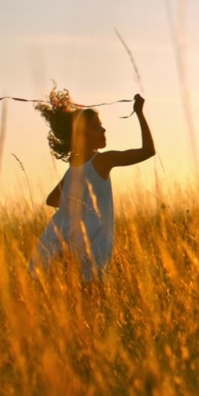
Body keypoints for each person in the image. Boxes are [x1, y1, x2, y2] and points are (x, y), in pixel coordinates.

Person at [29, 89, 155, 282]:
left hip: (66, 246)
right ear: (83, 136)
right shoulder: (102, 161)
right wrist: (139, 112)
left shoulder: (72, 171)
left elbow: (51, 200)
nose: (103, 130)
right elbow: (148, 151)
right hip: (93, 248)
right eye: (97, 127)